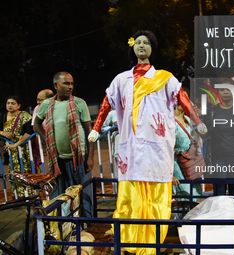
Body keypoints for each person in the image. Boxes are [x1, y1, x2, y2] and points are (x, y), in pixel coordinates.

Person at [87, 30, 206, 255]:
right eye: (138, 42)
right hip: (130, 152)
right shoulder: (121, 79)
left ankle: (151, 245)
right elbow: (106, 104)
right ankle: (129, 242)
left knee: (157, 200)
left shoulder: (165, 78)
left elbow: (183, 99)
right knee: (130, 198)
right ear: (132, 47)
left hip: (157, 151)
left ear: (153, 48)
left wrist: (196, 121)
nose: (141, 46)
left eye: (146, 42)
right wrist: (96, 128)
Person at [34, 71, 94, 217]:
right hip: (57, 159)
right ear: (56, 85)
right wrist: (45, 139)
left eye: (72, 83)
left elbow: (89, 130)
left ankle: (88, 224)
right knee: (59, 194)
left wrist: (90, 157)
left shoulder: (79, 103)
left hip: (79, 158)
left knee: (83, 192)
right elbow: (36, 123)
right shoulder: (47, 104)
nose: (70, 86)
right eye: (66, 83)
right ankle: (63, 225)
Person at [0, 96, 34, 199]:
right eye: (8, 103)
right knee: (12, 173)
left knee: (25, 172)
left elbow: (29, 133)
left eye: (13, 103)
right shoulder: (2, 116)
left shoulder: (24, 116)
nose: (10, 105)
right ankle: (16, 197)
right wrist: (3, 133)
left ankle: (28, 196)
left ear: (19, 105)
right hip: (9, 151)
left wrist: (16, 144)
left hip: (23, 150)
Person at [172, 88, 202, 201]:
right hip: (178, 165)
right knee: (184, 196)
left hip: (191, 163)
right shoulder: (170, 122)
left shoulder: (188, 119)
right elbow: (165, 148)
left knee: (196, 194)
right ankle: (183, 218)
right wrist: (170, 175)